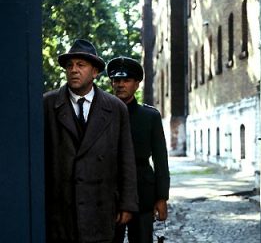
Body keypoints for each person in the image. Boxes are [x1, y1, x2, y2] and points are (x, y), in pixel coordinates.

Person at [43, 39, 139, 243]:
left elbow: (127, 160)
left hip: (102, 209)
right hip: (61, 212)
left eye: (81, 65)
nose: (74, 70)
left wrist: (127, 204)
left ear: (95, 72)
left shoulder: (115, 108)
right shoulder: (47, 104)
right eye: (70, 65)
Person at [107, 56, 170, 243]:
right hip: (111, 193)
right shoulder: (102, 114)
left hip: (142, 190)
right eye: (116, 80)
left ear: (136, 84)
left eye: (126, 80)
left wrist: (161, 197)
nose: (120, 85)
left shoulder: (149, 116)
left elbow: (160, 159)